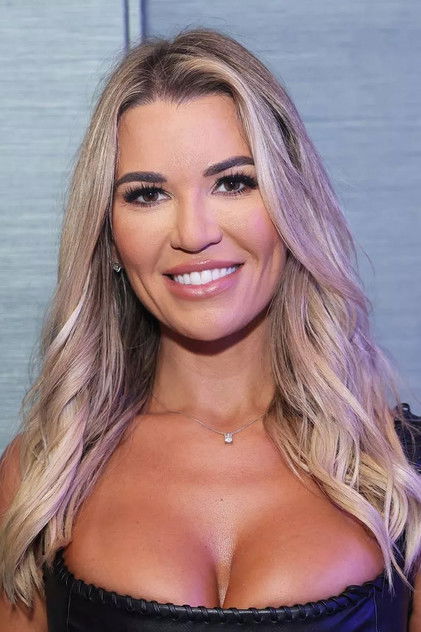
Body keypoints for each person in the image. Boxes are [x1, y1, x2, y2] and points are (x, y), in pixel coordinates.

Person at [0, 26, 420, 632]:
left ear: (290, 207)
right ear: (109, 236)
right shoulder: (44, 474)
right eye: (148, 194)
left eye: (233, 182)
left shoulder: (398, 468)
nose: (194, 234)